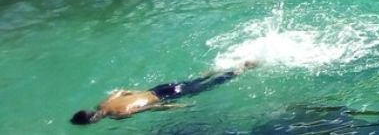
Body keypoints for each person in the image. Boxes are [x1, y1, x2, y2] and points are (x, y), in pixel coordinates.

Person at [70, 61, 256, 125]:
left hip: (166, 96)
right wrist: (139, 93)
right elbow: (121, 90)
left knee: (207, 87)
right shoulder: (103, 104)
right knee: (195, 82)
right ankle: (222, 67)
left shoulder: (118, 115)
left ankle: (240, 69)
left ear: (93, 121)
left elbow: (154, 107)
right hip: (157, 89)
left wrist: (178, 106)